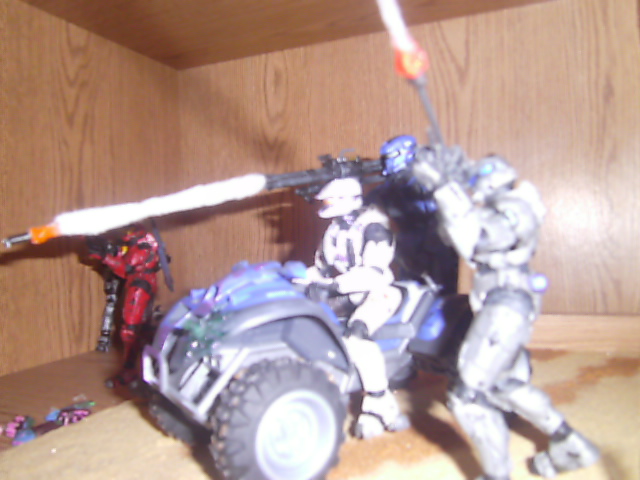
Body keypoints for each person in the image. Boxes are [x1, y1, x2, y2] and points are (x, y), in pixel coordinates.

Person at [411, 152, 599, 479]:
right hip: (497, 304)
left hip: (506, 305)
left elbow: (481, 240)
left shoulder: (515, 210)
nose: (476, 185)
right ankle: (570, 443)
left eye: (479, 179)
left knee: (468, 396)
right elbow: (451, 237)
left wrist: (446, 189)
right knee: (503, 384)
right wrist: (446, 192)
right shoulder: (496, 208)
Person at [306, 177, 410, 439]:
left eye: (331, 199)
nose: (327, 204)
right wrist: (298, 280)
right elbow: (320, 268)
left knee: (356, 336)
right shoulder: (333, 231)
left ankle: (379, 402)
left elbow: (373, 273)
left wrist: (333, 286)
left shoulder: (374, 227)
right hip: (348, 293)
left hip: (380, 291)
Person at [88, 224, 161, 386]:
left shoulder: (143, 244)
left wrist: (104, 257)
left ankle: (133, 372)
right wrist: (106, 252)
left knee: (131, 331)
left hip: (141, 285)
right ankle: (133, 370)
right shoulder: (133, 242)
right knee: (134, 331)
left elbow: (127, 267)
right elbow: (122, 262)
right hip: (136, 282)